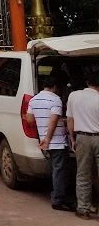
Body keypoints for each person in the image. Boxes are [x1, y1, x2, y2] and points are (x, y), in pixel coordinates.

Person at [25, 73, 72, 212]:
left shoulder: (34, 100)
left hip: (45, 141)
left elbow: (29, 119)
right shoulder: (55, 100)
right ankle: (58, 200)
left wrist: (43, 130)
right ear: (55, 87)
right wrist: (48, 138)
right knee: (59, 170)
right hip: (56, 141)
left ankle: (58, 195)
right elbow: (54, 120)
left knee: (56, 169)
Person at [66, 70, 99, 219]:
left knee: (83, 174)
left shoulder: (74, 96)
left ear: (87, 82)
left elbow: (70, 120)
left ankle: (83, 209)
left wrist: (73, 139)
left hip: (82, 138)